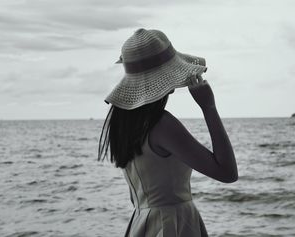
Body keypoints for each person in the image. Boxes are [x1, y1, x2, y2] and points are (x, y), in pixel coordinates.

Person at [98, 28, 238, 237]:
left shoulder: (124, 124)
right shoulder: (162, 125)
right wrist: (208, 107)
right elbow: (227, 173)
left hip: (142, 222)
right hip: (173, 224)